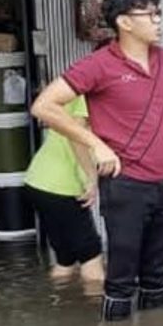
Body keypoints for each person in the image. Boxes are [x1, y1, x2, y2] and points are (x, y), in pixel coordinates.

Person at [31, 0, 163, 322]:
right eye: (151, 14)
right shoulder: (98, 65)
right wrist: (97, 145)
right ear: (125, 22)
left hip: (162, 180)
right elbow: (44, 106)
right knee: (122, 275)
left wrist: (162, 137)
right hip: (125, 184)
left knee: (159, 270)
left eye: (159, 13)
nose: (159, 21)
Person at [24, 94, 104, 283]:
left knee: (65, 258)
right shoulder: (88, 97)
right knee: (90, 254)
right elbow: (75, 137)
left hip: (39, 181)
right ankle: (98, 310)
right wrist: (92, 177)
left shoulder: (75, 94)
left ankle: (58, 303)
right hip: (60, 185)